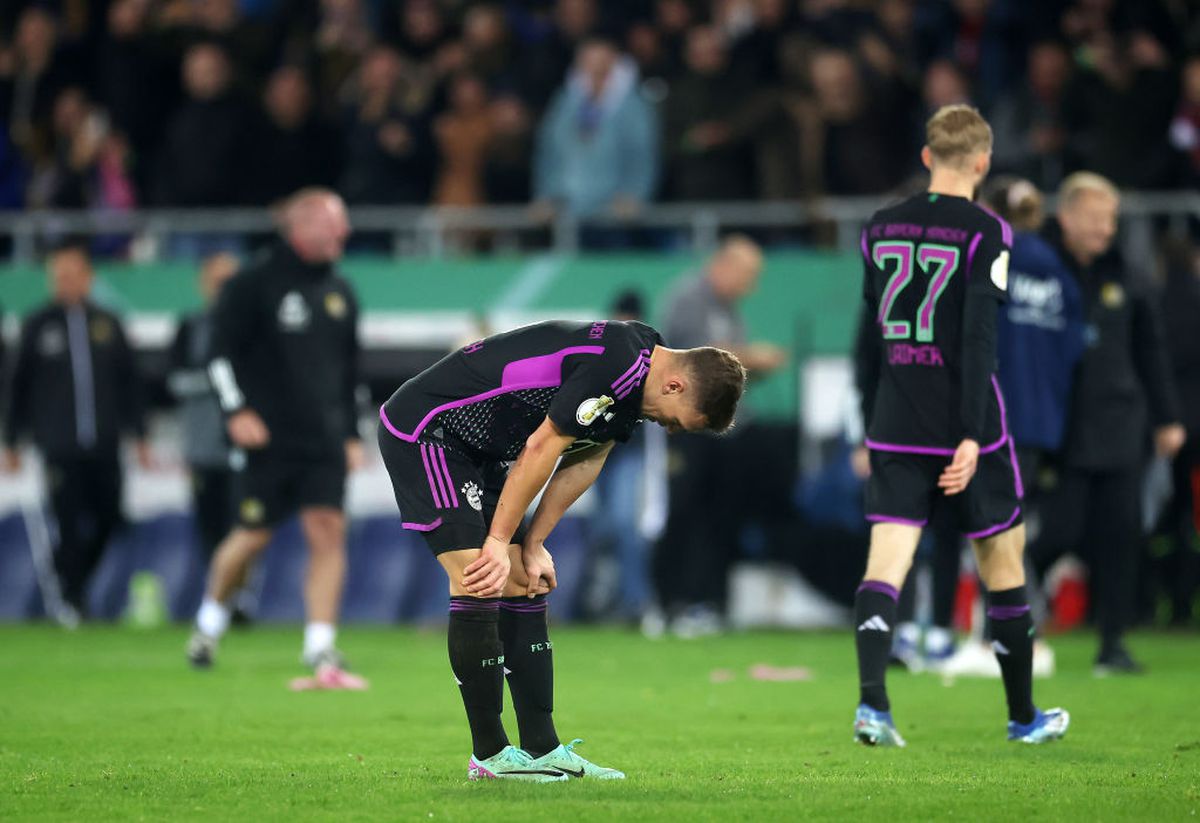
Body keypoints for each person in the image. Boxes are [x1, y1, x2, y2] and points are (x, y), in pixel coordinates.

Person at [377, 319, 745, 780]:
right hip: (430, 430)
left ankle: (541, 750)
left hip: (482, 452)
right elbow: (541, 446)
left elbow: (584, 459)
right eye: (677, 420)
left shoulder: (640, 371)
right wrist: (495, 542)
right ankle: (489, 757)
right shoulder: (618, 366)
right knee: (478, 575)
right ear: (676, 384)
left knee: (525, 582)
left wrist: (533, 543)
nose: (670, 430)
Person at [854, 104, 1068, 747]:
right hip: (966, 424)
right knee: (1003, 562)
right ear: (982, 161)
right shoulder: (987, 231)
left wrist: (870, 421)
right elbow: (978, 340)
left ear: (927, 157)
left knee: (885, 566)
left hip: (895, 421)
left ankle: (873, 709)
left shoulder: (877, 227)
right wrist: (972, 435)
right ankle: (1023, 717)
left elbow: (868, 340)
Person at [186, 189, 365, 687]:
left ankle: (320, 644)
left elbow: (350, 373)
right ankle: (208, 623)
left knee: (327, 530)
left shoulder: (341, 293)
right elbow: (218, 356)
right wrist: (235, 410)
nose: (344, 234)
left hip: (324, 442)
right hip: (268, 441)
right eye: (335, 225)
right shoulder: (251, 284)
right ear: (301, 227)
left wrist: (352, 433)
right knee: (252, 537)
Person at [1030, 172, 1185, 673]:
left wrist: (1167, 417)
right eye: (1095, 219)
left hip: (1121, 425)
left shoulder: (1128, 276)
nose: (1104, 229)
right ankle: (1009, 619)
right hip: (1061, 429)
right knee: (1058, 533)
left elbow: (1151, 351)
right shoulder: (1040, 270)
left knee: (1120, 538)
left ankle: (1112, 643)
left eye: (1111, 220)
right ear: (1066, 217)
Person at [3, 240, 150, 624]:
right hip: (58, 443)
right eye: (58, 276)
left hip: (104, 441)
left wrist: (141, 433)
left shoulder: (108, 323)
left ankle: (73, 584)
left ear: (88, 277)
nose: (65, 282)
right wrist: (11, 441)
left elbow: (129, 383)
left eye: (72, 274)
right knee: (66, 522)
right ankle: (74, 600)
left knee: (109, 518)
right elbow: (17, 387)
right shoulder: (38, 324)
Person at [656, 236, 784, 635]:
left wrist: (751, 370)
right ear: (725, 266)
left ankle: (708, 602)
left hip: (721, 431)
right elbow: (701, 359)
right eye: (749, 276)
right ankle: (669, 603)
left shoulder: (729, 311)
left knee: (718, 516)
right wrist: (751, 357)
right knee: (684, 510)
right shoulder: (689, 298)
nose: (752, 286)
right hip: (686, 428)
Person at [167, 253, 240, 598]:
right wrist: (218, 382)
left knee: (245, 526)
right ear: (204, 284)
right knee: (210, 527)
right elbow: (174, 382)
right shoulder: (190, 326)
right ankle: (219, 599)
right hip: (204, 447)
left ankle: (240, 596)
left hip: (245, 449)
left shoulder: (252, 327)